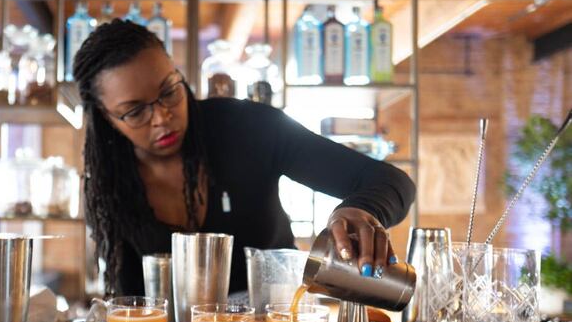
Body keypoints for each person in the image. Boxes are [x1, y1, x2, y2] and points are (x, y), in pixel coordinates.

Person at [73, 20, 415, 296]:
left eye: (169, 91)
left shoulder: (247, 127)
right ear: (106, 118)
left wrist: (363, 210)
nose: (162, 117)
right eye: (134, 112)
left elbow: (391, 181)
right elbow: (127, 302)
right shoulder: (108, 188)